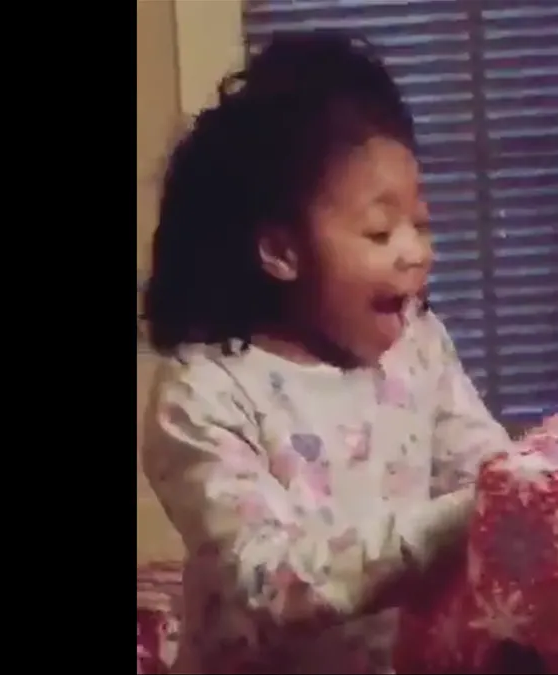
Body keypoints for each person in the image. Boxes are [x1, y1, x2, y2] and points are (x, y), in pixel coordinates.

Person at [140, 30, 512, 674]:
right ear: (281, 251)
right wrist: (451, 525)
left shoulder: (419, 346)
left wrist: (540, 484)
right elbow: (269, 583)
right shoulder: (202, 394)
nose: (416, 252)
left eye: (421, 224)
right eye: (379, 230)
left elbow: (481, 469)